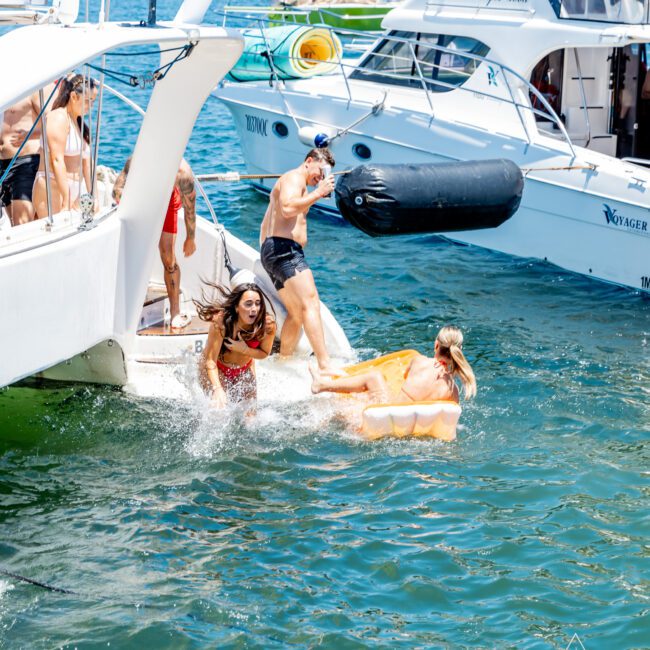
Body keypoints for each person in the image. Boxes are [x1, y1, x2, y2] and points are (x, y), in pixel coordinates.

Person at [259, 147, 336, 373]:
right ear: (309, 161)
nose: (320, 178)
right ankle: (325, 365)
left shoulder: (296, 183)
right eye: (319, 171)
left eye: (324, 175)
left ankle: (284, 362)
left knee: (295, 313)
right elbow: (286, 208)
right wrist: (319, 193)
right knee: (310, 301)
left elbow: (269, 218)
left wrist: (265, 249)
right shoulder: (294, 177)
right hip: (284, 251)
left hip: (276, 251)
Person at [113, 156, 197, 329]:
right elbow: (117, 189)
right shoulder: (139, 159)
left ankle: (175, 312)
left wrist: (190, 238)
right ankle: (126, 304)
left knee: (168, 258)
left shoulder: (182, 174)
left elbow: (190, 209)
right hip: (141, 198)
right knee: (134, 251)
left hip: (168, 202)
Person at [310, 325, 477, 404]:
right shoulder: (453, 390)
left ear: (436, 345)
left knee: (374, 377)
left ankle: (322, 385)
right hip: (411, 427)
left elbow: (400, 380)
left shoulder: (419, 361)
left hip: (388, 414)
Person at [194, 282, 276, 407]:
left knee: (251, 417)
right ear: (237, 307)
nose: (254, 308)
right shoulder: (221, 323)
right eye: (248, 304)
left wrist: (244, 349)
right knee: (218, 411)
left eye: (258, 303)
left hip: (244, 369)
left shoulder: (267, 325)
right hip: (216, 368)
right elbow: (210, 361)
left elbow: (264, 353)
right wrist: (217, 388)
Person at [32, 74, 97, 219]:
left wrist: (94, 196)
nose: (90, 106)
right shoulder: (58, 117)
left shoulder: (79, 123)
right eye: (87, 101)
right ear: (74, 96)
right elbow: (56, 159)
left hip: (74, 190)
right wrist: (66, 200)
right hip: (53, 186)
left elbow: (87, 164)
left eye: (93, 101)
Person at [0, 82, 57, 225]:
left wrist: (29, 135)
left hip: (24, 162)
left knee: (21, 222)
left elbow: (54, 122)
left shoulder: (32, 89)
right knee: (13, 223)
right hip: (3, 165)